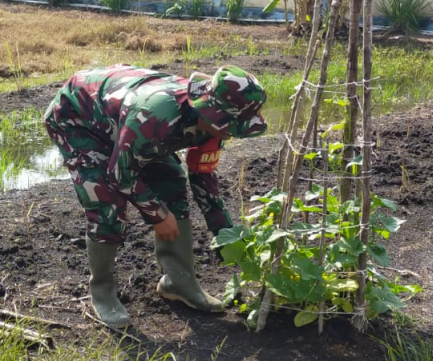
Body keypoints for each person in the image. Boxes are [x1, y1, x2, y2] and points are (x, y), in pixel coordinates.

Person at [43, 64, 267, 328]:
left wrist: (225, 233)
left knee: (172, 184)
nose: (232, 132)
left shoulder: (213, 125)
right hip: (79, 119)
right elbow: (121, 175)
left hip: (126, 126)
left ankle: (178, 282)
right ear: (212, 113)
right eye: (232, 125)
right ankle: (102, 292)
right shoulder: (155, 117)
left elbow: (203, 177)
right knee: (107, 207)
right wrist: (157, 215)